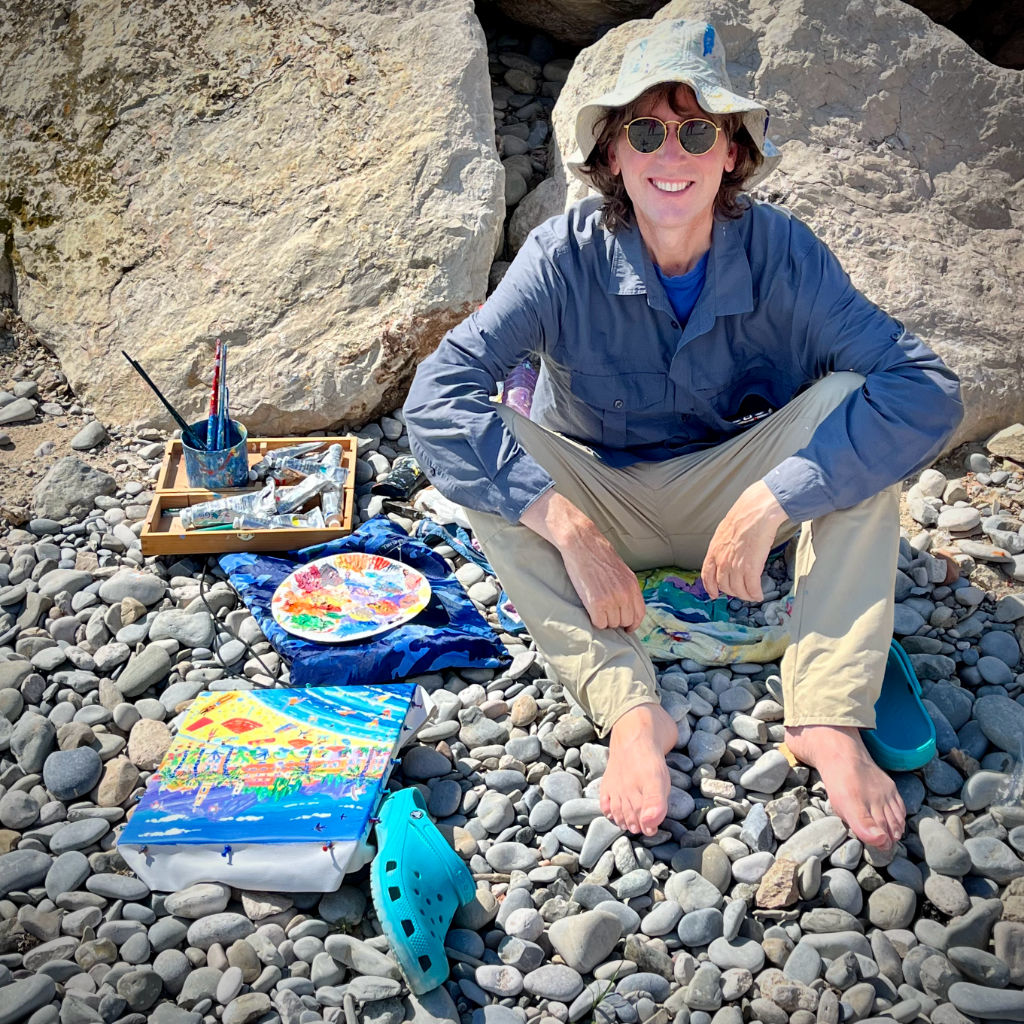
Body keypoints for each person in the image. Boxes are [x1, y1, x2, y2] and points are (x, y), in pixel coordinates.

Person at [404, 19, 963, 850]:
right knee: (492, 461)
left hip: (732, 495)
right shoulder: (561, 255)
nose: (673, 155)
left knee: (856, 405)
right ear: (613, 155)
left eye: (698, 131)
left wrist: (776, 500)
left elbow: (924, 389)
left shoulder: (785, 254)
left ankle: (827, 715)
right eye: (647, 131)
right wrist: (568, 527)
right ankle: (631, 712)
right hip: (602, 499)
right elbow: (435, 397)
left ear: (732, 152)